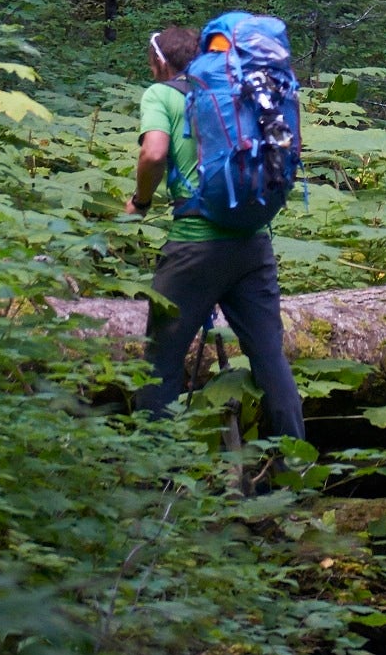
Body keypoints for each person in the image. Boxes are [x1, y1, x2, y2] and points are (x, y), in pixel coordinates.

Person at [132, 22, 308, 435]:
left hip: (195, 245)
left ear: (159, 62)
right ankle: (292, 464)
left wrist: (140, 202)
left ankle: (153, 465)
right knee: (270, 360)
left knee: (159, 363)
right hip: (253, 243)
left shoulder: (161, 94)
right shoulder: (238, 91)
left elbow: (154, 153)